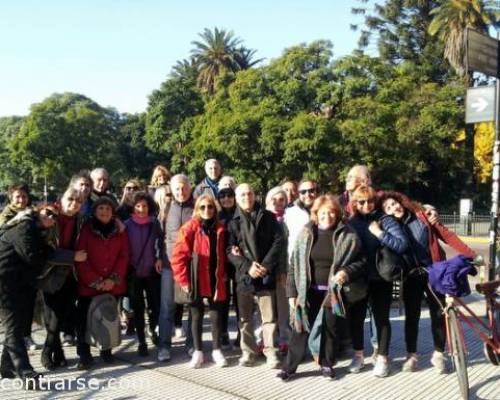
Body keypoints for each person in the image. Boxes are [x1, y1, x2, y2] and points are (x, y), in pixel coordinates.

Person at [380, 191, 476, 373]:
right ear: (386, 213)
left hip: (435, 271)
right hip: (411, 276)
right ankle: (412, 355)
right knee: (412, 316)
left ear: (402, 202)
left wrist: (471, 254)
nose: (394, 208)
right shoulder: (390, 228)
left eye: (395, 203)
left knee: (439, 313)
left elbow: (447, 235)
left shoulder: (422, 216)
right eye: (388, 208)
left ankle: (439, 354)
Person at [278, 195, 366, 381]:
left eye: (332, 212)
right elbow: (294, 264)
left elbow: (361, 261)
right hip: (307, 291)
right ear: (316, 214)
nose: (328, 216)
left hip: (333, 292)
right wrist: (291, 293)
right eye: (324, 212)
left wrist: (346, 272)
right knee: (300, 329)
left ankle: (326, 364)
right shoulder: (306, 233)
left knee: (330, 329)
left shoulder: (347, 234)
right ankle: (289, 367)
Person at [348, 186, 408, 377]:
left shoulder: (385, 220)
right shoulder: (352, 223)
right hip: (358, 277)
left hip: (381, 277)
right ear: (355, 203)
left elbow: (401, 244)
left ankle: (382, 358)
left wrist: (379, 233)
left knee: (381, 318)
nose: (366, 205)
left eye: (370, 201)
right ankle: (358, 355)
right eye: (361, 201)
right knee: (356, 318)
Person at [0, 205, 58, 388]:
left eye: (54, 215)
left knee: (17, 325)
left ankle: (6, 366)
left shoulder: (36, 229)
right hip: (4, 283)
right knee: (13, 328)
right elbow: (32, 257)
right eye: (47, 212)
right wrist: (47, 251)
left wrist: (45, 251)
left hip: (16, 283)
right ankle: (25, 372)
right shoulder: (26, 226)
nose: (50, 216)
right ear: (37, 210)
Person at [226, 183, 283, 368]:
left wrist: (265, 266)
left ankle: (271, 352)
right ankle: (248, 352)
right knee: (245, 319)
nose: (246, 197)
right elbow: (229, 250)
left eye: (249, 193)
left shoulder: (268, 217)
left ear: (255, 195)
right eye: (242, 195)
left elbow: (278, 242)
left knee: (269, 318)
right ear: (237, 197)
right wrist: (247, 266)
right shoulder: (232, 222)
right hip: (245, 276)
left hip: (266, 275)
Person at [171, 195, 228, 368]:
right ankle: (198, 351)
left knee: (216, 314)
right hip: (195, 276)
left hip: (215, 276)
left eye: (210, 207)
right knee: (196, 315)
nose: (206, 210)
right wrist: (183, 280)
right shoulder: (189, 228)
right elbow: (178, 256)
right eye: (202, 207)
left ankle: (217, 350)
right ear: (197, 209)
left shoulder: (220, 228)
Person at [74, 197, 129, 369]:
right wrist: (95, 281)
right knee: (84, 321)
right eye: (101, 208)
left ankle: (106, 350)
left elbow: (124, 255)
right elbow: (81, 257)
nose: (104, 212)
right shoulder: (86, 229)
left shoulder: (119, 230)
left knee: (109, 318)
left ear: (113, 213)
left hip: (112, 284)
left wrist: (112, 279)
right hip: (89, 285)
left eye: (108, 209)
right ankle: (84, 354)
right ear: (95, 211)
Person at [41, 188, 87, 370]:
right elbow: (45, 251)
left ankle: (49, 351)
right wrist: (72, 256)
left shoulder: (81, 220)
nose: (74, 203)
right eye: (70, 199)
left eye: (78, 201)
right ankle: (54, 352)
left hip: (70, 275)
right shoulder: (50, 217)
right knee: (52, 315)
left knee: (60, 315)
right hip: (49, 274)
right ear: (61, 199)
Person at [158, 174, 194, 361]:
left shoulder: (197, 207)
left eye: (184, 188)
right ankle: (164, 346)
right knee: (167, 307)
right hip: (169, 265)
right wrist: (158, 256)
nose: (181, 191)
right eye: (177, 188)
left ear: (190, 188)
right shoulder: (165, 208)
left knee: (192, 307)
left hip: (191, 265)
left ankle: (192, 344)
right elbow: (160, 236)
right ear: (172, 189)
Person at [0, 184, 39, 352]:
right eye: (18, 197)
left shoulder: (33, 214)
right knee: (13, 314)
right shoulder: (5, 216)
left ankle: (26, 336)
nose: (21, 200)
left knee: (28, 306)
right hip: (10, 269)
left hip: (27, 270)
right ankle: (16, 354)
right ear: (11, 198)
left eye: (24, 196)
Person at [125, 192, 163, 357]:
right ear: (133, 207)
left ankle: (153, 330)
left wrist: (160, 257)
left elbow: (160, 243)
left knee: (154, 307)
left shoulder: (155, 224)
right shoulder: (125, 225)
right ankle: (141, 341)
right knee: (138, 309)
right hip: (134, 272)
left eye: (145, 206)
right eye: (138, 206)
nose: (141, 209)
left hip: (152, 272)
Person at [265, 186, 290, 354]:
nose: (277, 202)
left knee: (283, 308)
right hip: (266, 269)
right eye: (274, 198)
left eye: (281, 199)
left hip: (284, 269)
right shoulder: (262, 218)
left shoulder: (289, 219)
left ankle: (285, 340)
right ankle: (267, 341)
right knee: (266, 309)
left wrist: (284, 270)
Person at [217, 187, 238, 348]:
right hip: (223, 263)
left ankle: (240, 332)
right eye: (222, 197)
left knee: (240, 300)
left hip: (238, 262)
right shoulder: (218, 217)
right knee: (223, 300)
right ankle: (223, 332)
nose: (226, 199)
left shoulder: (240, 214)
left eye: (229, 196)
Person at [284, 179, 319, 261]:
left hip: (319, 263)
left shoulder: (325, 211)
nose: (308, 194)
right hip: (296, 263)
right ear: (298, 194)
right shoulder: (288, 213)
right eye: (303, 192)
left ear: (317, 192)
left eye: (311, 191)